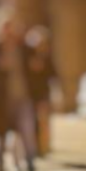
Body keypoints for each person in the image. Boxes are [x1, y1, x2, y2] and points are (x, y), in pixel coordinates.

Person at [0, 9, 44, 171]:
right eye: (6, 27)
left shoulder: (24, 49)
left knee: (28, 137)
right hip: (3, 102)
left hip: (23, 99)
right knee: (1, 141)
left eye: (11, 27)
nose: (9, 31)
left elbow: (36, 72)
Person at [25, 26, 59, 157]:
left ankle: (44, 148)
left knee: (43, 121)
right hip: (30, 95)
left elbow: (53, 76)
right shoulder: (28, 57)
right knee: (32, 122)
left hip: (43, 95)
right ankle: (35, 147)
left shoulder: (47, 57)